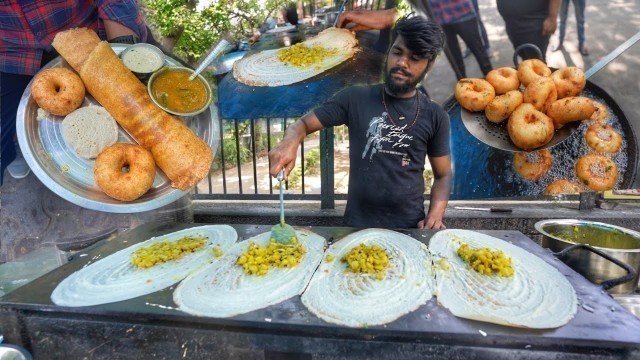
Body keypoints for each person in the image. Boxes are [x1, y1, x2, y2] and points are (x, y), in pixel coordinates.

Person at [269, 15, 452, 229]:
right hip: (355, 227)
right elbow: (303, 125)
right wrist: (291, 139)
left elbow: (443, 175)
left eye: (415, 58)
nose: (402, 62)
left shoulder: (435, 116)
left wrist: (435, 215)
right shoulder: (354, 98)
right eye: (398, 52)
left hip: (409, 228)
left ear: (428, 65)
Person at [0, 0, 149, 185]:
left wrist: (124, 47)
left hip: (83, 32)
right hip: (10, 52)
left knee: (148, 90)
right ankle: (13, 151)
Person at [428, 0, 493, 77]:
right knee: (454, 59)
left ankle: (492, 81)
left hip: (462, 12)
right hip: (438, 18)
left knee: (479, 52)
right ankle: (462, 84)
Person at [496, 0, 561, 61]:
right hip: (512, 21)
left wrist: (552, 18)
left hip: (533, 20)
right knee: (524, 55)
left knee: (535, 61)